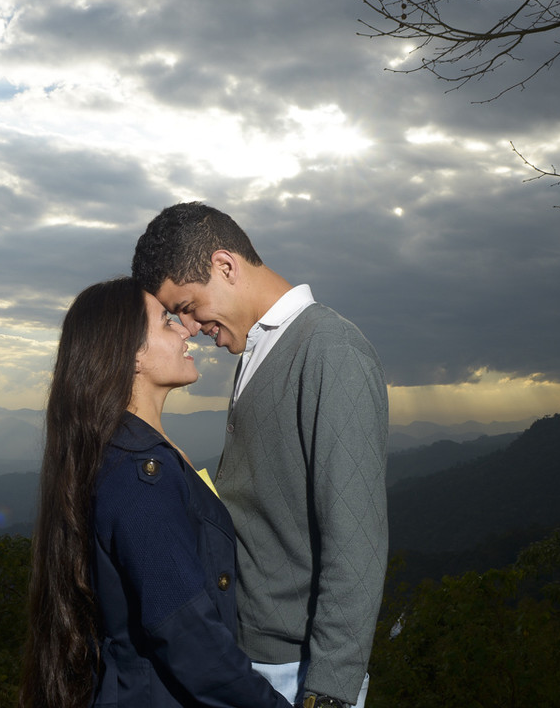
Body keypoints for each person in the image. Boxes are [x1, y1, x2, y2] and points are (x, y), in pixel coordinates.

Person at [132, 203, 389, 708]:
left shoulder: (330, 351)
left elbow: (356, 544)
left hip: (300, 674)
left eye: (187, 305)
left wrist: (330, 691)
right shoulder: (259, 348)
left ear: (225, 266)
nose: (187, 326)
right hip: (253, 660)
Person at [20, 277, 292, 708]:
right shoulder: (140, 474)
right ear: (130, 357)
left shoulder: (126, 454)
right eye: (167, 323)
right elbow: (189, 637)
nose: (186, 330)